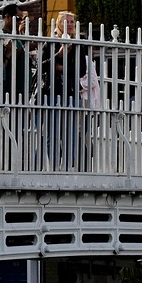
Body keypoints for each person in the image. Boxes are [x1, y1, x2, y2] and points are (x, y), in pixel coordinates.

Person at [38, 10, 99, 171]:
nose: (71, 25)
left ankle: (65, 168)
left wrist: (61, 67)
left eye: (72, 22)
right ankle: (52, 168)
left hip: (72, 93)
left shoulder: (78, 45)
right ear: (58, 24)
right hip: (53, 92)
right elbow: (42, 65)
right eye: (67, 22)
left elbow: (81, 70)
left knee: (71, 134)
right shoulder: (50, 43)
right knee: (52, 133)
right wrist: (59, 55)